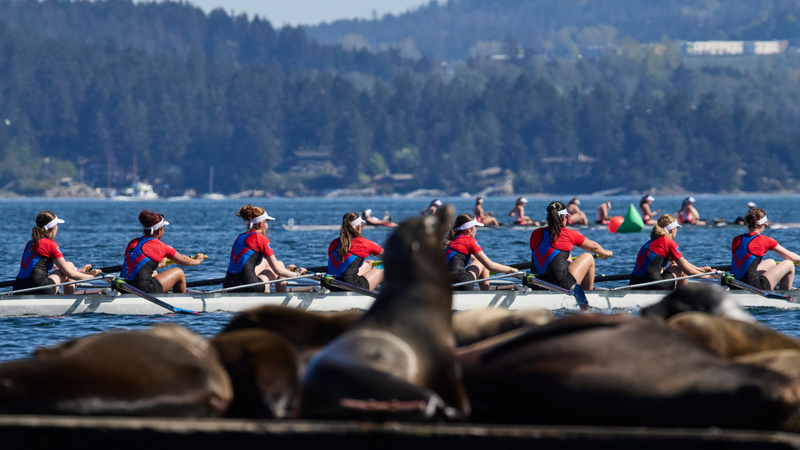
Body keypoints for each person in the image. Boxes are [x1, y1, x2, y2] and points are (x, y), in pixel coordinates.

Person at [530, 201, 613, 290]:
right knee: (588, 256)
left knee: (566, 255)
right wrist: (605, 253)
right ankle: (588, 294)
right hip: (561, 284)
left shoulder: (535, 233)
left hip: (538, 283)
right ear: (563, 218)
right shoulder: (568, 234)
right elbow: (593, 246)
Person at [224, 204, 307, 293]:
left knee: (265, 262)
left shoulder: (240, 237)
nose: (267, 225)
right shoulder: (261, 238)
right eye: (266, 222)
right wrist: (296, 274)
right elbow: (277, 270)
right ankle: (281, 299)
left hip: (229, 284)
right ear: (261, 223)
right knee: (279, 264)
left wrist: (284, 272)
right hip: (249, 287)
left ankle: (267, 293)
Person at [13, 211, 101, 295]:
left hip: (18, 287)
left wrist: (79, 271)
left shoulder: (30, 243)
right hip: (40, 289)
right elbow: (69, 273)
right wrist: (92, 277)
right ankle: (69, 300)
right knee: (69, 266)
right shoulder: (50, 244)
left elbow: (55, 266)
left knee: (69, 266)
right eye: (57, 225)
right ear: (52, 227)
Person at [121, 210, 206, 294]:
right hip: (142, 290)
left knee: (154, 272)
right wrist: (198, 260)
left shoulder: (133, 242)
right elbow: (183, 260)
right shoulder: (160, 246)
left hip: (124, 286)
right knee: (179, 272)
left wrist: (158, 264)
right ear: (159, 230)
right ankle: (180, 303)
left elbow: (139, 263)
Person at [630, 214, 711, 290]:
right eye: (676, 228)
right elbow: (687, 270)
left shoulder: (651, 242)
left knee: (671, 266)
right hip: (653, 285)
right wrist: (709, 276)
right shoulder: (668, 242)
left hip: (634, 283)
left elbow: (681, 262)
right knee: (681, 269)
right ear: (672, 230)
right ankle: (680, 299)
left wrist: (700, 269)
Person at [730, 208, 800, 291]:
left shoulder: (736, 239)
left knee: (771, 262)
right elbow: (790, 257)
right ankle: (786, 296)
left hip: (734, 283)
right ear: (762, 225)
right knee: (789, 264)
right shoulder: (764, 240)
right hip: (753, 286)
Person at [445, 213, 518, 290]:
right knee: (481, 262)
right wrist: (510, 269)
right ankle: (486, 292)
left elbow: (473, 258)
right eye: (475, 227)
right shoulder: (469, 241)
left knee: (480, 262)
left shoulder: (452, 242)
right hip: (462, 284)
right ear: (469, 230)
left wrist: (502, 269)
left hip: (447, 285)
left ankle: (484, 291)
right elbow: (491, 266)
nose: (476, 230)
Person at [327, 212, 384, 290]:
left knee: (366, 265)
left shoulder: (334, 243)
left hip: (331, 285)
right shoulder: (365, 243)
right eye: (362, 225)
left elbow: (343, 264)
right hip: (352, 287)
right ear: (358, 227)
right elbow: (391, 257)